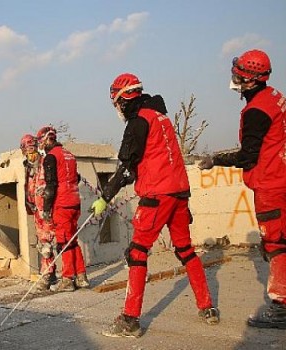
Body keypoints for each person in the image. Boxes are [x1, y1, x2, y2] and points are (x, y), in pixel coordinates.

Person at [91, 73, 219, 337]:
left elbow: (126, 167)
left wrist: (105, 197)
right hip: (180, 194)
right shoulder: (161, 118)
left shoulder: (138, 122)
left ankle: (130, 320)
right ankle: (207, 308)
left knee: (137, 253)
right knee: (185, 249)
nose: (117, 109)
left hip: (157, 196)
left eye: (116, 103)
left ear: (123, 99)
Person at [199, 49, 286, 328]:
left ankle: (278, 309)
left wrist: (215, 160)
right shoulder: (276, 97)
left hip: (271, 184)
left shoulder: (255, 110)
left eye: (239, 73)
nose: (234, 77)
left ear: (250, 79)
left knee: (275, 243)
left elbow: (248, 156)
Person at [37, 126, 88, 292]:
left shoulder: (51, 157)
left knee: (63, 242)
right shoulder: (69, 155)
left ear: (46, 139)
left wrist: (46, 208)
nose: (41, 145)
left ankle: (67, 280)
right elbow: (76, 177)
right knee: (72, 239)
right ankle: (81, 276)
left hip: (62, 203)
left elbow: (51, 185)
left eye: (41, 142)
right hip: (75, 202)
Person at [20, 134, 57, 290]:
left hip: (47, 209)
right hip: (36, 209)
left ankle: (48, 275)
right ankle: (52, 273)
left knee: (46, 243)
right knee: (43, 242)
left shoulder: (45, 163)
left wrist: (47, 207)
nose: (31, 153)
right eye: (28, 150)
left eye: (33, 148)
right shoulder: (28, 167)